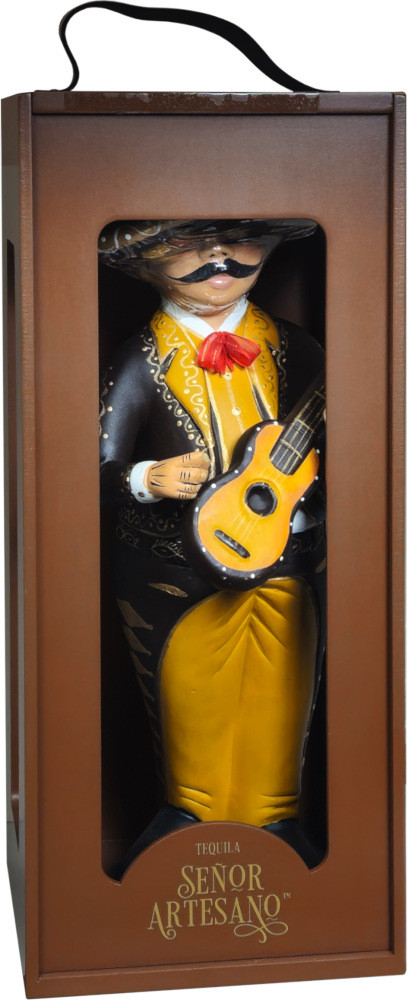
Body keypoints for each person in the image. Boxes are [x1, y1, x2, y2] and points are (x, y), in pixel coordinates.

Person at [99, 219, 326, 877]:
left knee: (282, 703)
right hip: (175, 579)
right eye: (189, 243)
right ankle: (190, 829)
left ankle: (278, 827)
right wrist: (148, 478)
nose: (217, 256)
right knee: (193, 710)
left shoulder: (294, 348)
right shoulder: (142, 359)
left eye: (237, 238)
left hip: (287, 565)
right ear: (145, 261)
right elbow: (89, 468)